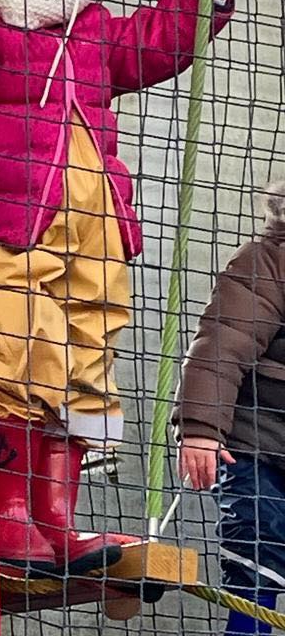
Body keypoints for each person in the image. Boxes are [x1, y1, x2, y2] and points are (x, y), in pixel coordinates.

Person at [0, 0, 236, 575]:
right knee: (18, 345)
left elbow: (158, 42)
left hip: (95, 219)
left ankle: (59, 514)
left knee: (90, 359)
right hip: (18, 217)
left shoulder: (90, 28)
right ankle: (7, 509)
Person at [173, 180, 285, 636]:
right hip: (255, 439)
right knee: (260, 532)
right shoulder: (267, 261)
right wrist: (201, 428)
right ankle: (246, 629)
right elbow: (223, 342)